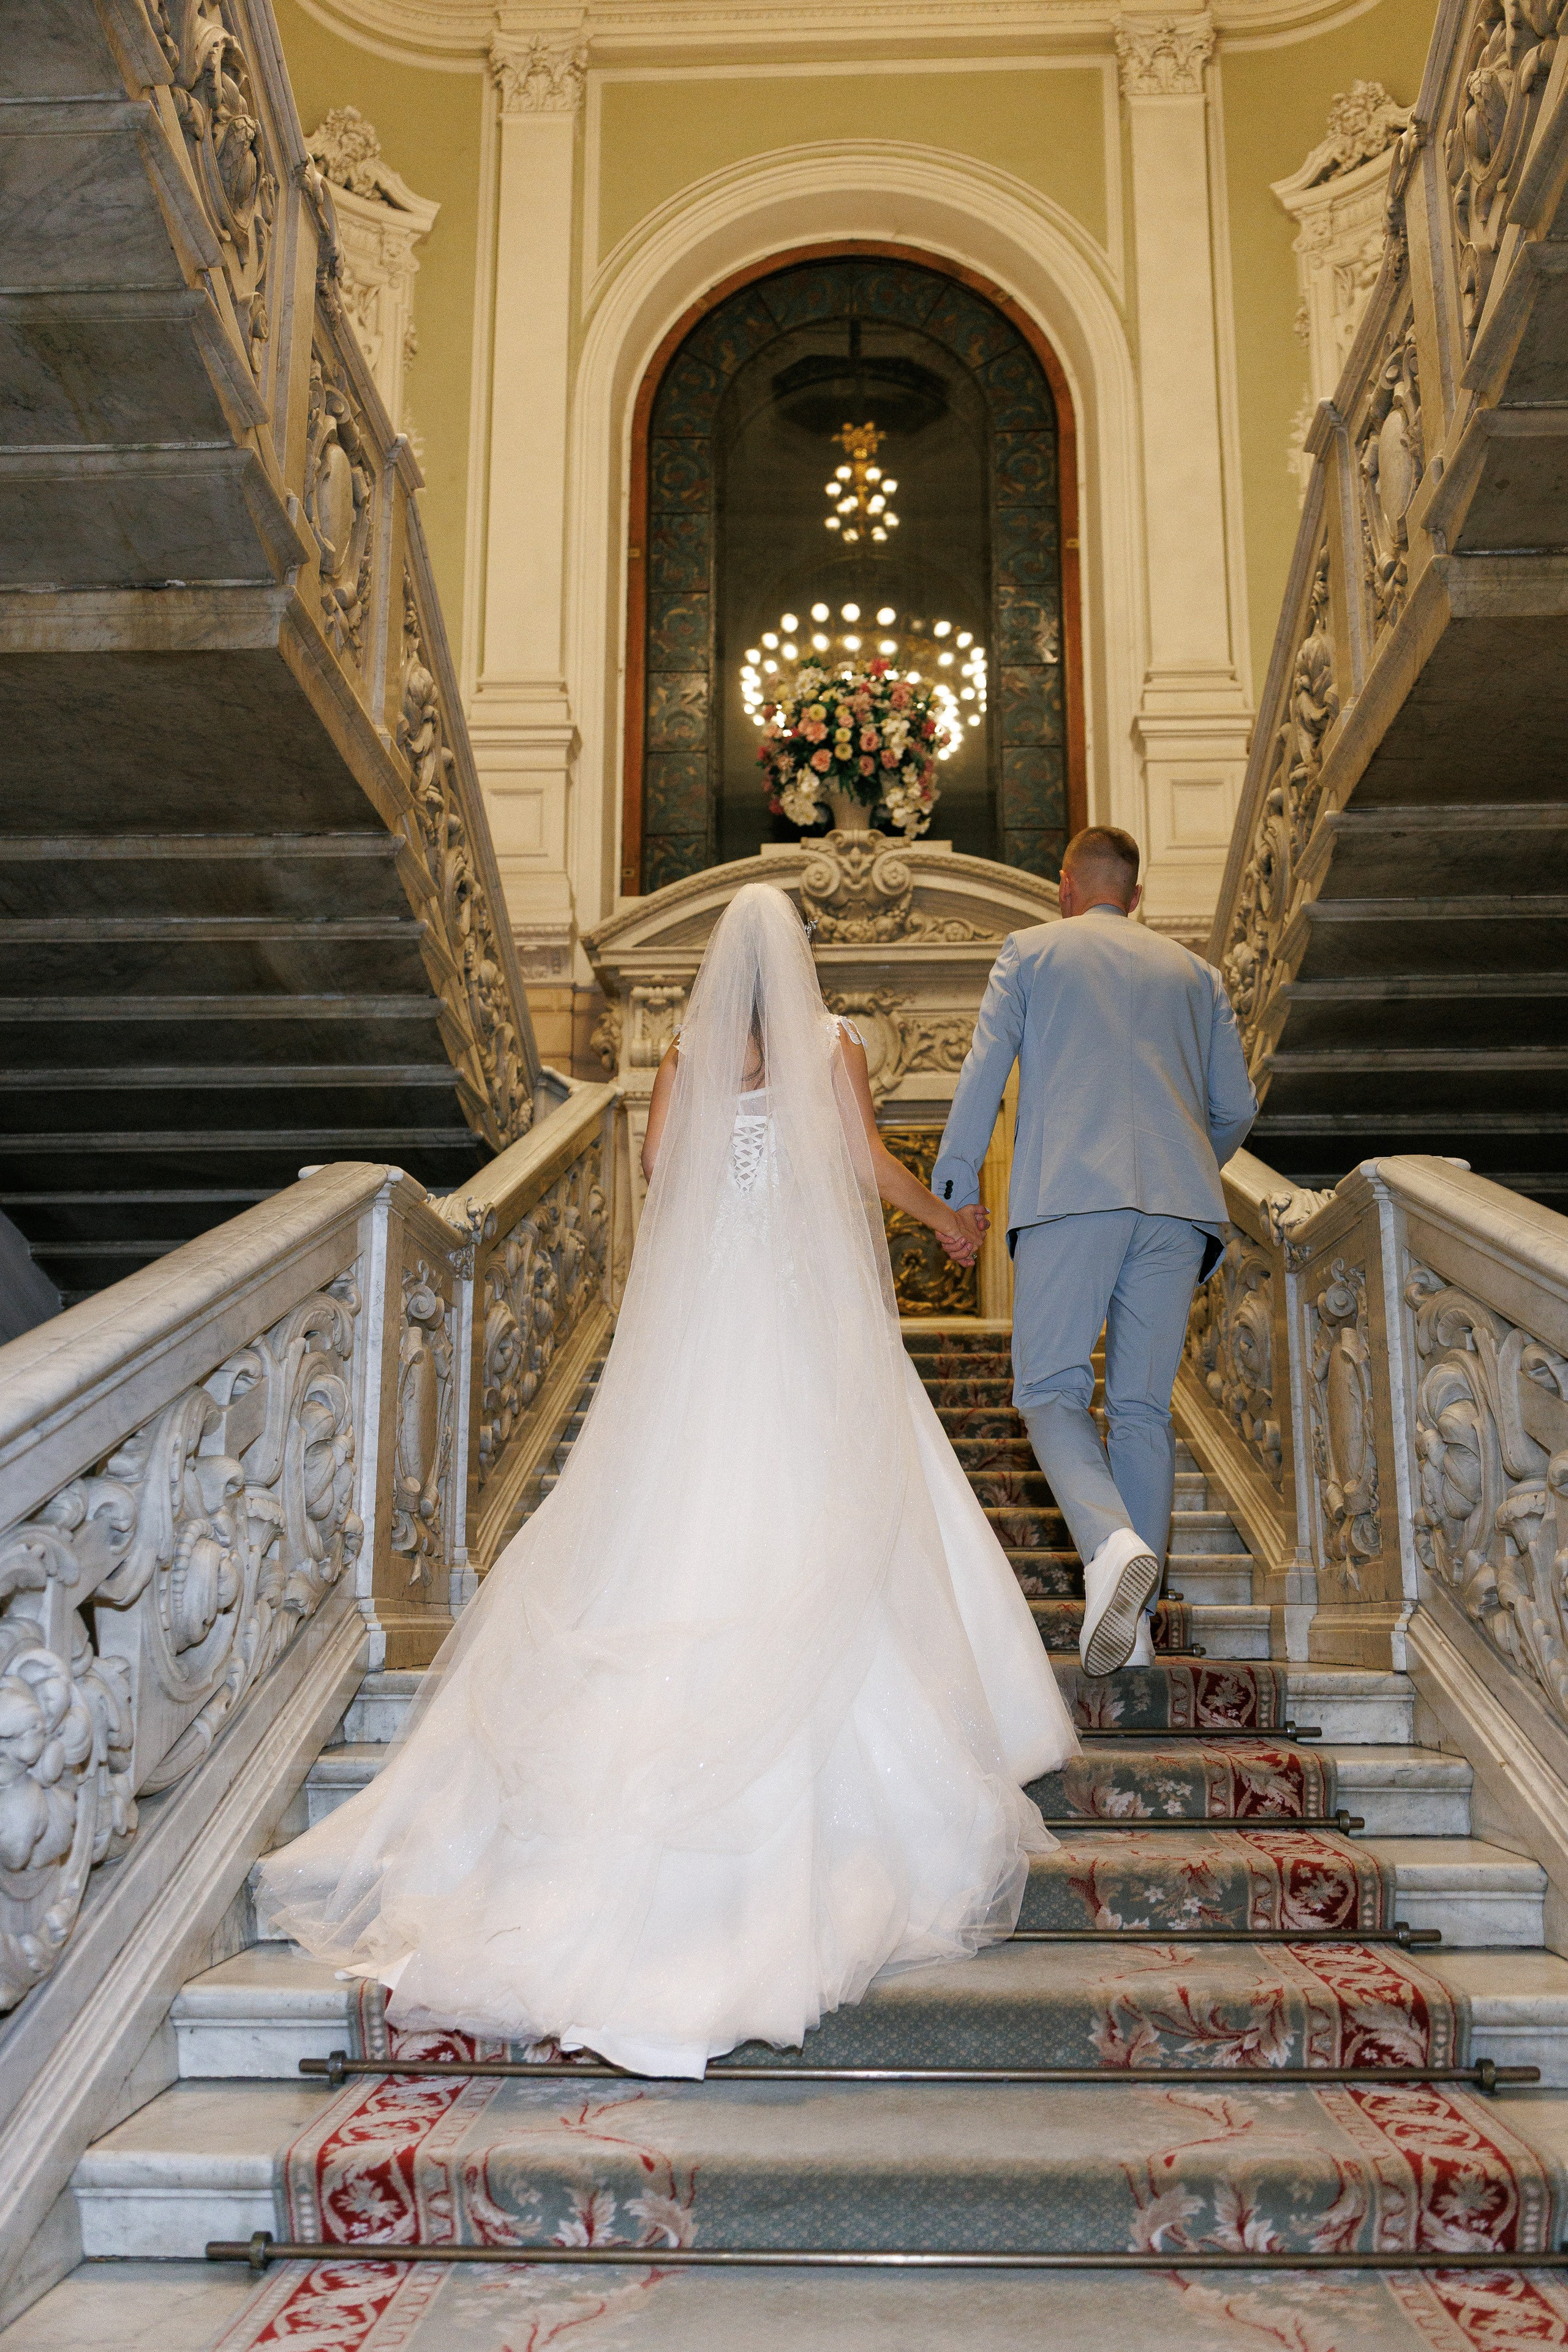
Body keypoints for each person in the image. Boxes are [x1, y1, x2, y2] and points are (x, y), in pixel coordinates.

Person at [257, 882, 1078, 2078]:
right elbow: (858, 1169)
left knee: (668, 1520)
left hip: (708, 1321)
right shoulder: (831, 1041)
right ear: (798, 961)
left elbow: (657, 1172)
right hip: (799, 1320)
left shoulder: (692, 1046)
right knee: (833, 1520)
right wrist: (944, 1221)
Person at [932, 826, 1256, 1678]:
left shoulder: (1031, 953)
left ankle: (1109, 1545)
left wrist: (956, 1190)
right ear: (1137, 896)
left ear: (1066, 887)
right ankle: (1136, 1627)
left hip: (1070, 1195)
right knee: (1142, 1412)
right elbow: (1236, 1104)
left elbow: (984, 1070)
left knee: (1047, 1392)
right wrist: (1187, 1169)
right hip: (1179, 1212)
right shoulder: (1198, 974)